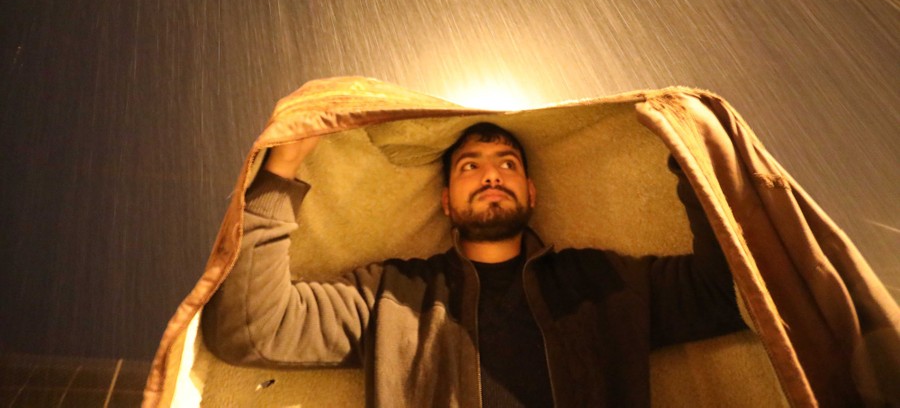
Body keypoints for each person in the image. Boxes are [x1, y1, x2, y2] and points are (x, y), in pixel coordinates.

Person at [202, 122, 747, 407]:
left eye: (507, 163)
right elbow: (251, 328)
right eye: (470, 166)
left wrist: (692, 162)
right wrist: (285, 164)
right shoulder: (392, 297)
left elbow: (733, 294)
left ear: (531, 191)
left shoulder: (607, 282)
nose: (491, 175)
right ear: (445, 201)